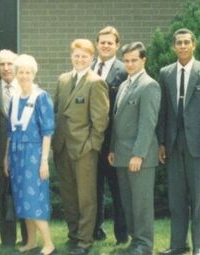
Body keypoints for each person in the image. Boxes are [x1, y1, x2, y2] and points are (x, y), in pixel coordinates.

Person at [157, 28, 200, 255]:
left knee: (198, 198)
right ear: (174, 47)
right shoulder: (165, 73)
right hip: (173, 144)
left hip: (198, 145)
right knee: (176, 198)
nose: (182, 46)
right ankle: (177, 245)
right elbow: (162, 111)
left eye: (186, 42)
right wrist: (161, 142)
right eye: (179, 43)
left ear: (194, 44)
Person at [52, 39, 109, 255]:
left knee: (86, 198)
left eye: (84, 56)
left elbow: (100, 120)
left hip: (84, 149)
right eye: (76, 55)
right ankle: (73, 235)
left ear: (91, 58)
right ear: (71, 56)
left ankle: (85, 242)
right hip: (62, 147)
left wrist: (91, 145)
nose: (79, 59)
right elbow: (56, 111)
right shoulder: (63, 79)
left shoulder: (96, 82)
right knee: (68, 196)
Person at [108, 42, 160, 255]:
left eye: (134, 60)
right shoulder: (124, 85)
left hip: (139, 156)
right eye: (126, 60)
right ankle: (135, 240)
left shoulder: (149, 85)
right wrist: (112, 149)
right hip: (120, 154)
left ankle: (144, 244)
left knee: (141, 203)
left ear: (143, 60)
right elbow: (117, 121)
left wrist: (138, 154)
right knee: (128, 203)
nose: (129, 64)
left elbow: (147, 124)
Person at [3, 54, 56, 255]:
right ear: (16, 74)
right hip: (16, 154)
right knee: (23, 197)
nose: (24, 76)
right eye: (21, 72)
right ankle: (32, 241)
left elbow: (48, 131)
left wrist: (44, 162)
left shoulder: (41, 97)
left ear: (34, 74)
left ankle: (48, 243)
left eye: (28, 72)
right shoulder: (15, 98)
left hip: (34, 153)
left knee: (35, 198)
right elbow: (10, 131)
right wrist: (6, 157)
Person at [91, 26, 128, 244]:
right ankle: (96, 230)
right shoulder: (89, 67)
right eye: (102, 42)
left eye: (110, 42)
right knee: (93, 190)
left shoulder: (124, 70)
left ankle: (122, 236)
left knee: (118, 190)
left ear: (117, 45)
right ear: (96, 44)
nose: (105, 45)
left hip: (114, 141)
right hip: (92, 141)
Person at [0, 49, 27, 247]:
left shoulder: (26, 88)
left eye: (9, 64)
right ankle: (7, 240)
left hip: (24, 152)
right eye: (1, 64)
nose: (6, 68)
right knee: (5, 196)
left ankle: (28, 238)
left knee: (24, 195)